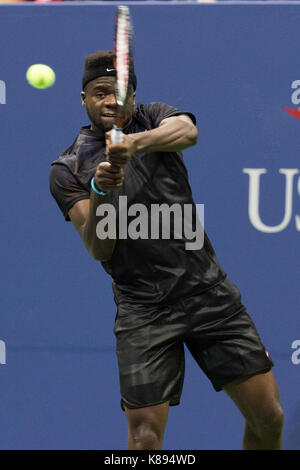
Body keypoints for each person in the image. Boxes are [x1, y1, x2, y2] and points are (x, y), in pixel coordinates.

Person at [49, 50, 284, 450]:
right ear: (83, 99)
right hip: (144, 311)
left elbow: (187, 132)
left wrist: (133, 145)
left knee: (269, 418)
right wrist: (102, 190)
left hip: (209, 294)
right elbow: (100, 248)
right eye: (100, 92)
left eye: (120, 92)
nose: (111, 101)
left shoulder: (155, 117)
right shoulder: (68, 169)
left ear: (135, 99)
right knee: (144, 440)